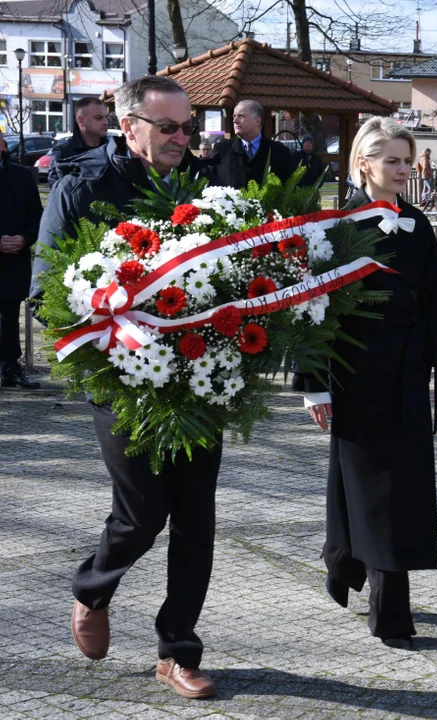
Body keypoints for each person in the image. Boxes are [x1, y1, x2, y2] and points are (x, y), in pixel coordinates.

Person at [33, 76, 221, 700]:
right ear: (129, 125)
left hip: (202, 376)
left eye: (188, 126)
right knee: (143, 512)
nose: (181, 138)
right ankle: (93, 587)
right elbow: (45, 295)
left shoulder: (207, 188)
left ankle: (178, 650)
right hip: (123, 380)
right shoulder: (82, 188)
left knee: (196, 520)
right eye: (168, 127)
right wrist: (111, 325)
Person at [295, 117, 437, 649]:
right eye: (390, 159)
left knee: (401, 483)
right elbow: (311, 308)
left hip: (410, 370)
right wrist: (313, 383)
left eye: (405, 159)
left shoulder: (417, 221)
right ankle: (390, 610)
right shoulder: (335, 225)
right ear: (363, 163)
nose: (401, 169)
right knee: (371, 481)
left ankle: (343, 559)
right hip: (353, 371)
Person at [0, 136, 43, 389]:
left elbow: (37, 215)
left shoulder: (22, 176)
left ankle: (9, 370)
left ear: (3, 146)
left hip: (14, 258)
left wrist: (24, 238)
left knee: (9, 316)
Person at [211, 99, 294, 189]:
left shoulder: (280, 152)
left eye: (241, 116)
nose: (235, 120)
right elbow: (210, 185)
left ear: (257, 121)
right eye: (234, 116)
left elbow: (288, 190)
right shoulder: (221, 150)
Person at [47, 97, 110, 188]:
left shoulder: (113, 151)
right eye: (98, 118)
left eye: (106, 117)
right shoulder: (63, 154)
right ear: (81, 120)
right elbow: (56, 191)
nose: (106, 122)